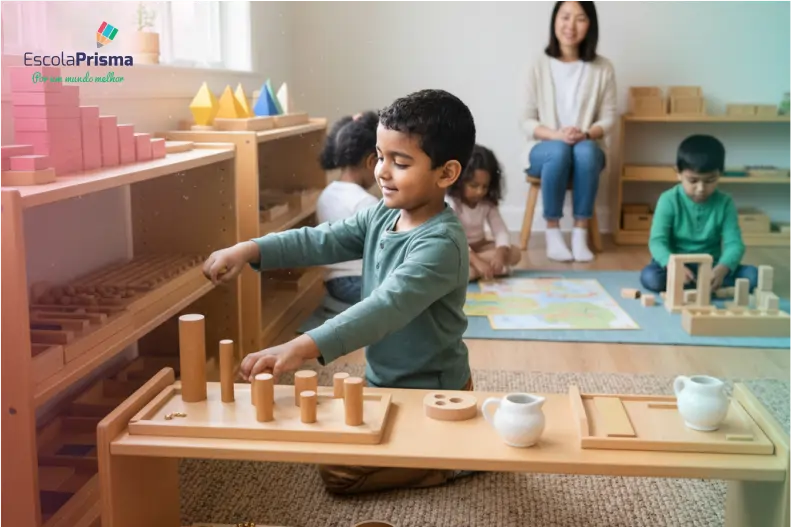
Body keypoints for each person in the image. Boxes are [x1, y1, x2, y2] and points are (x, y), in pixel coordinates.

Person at [202, 88, 477, 494]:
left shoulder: (440, 245)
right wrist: (250, 249)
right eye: (380, 157)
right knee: (321, 434)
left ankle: (449, 464)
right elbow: (319, 240)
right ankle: (430, 450)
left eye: (399, 162)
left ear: (446, 174)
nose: (382, 171)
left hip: (432, 393)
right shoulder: (384, 213)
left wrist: (299, 346)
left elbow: (383, 308)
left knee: (340, 472)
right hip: (384, 382)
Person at [521, 0, 617, 263]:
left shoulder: (603, 68)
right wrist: (556, 135)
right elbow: (526, 120)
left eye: (580, 18)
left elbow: (609, 118)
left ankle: (579, 233)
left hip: (586, 143)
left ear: (591, 24)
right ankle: (553, 232)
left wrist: (585, 134)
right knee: (560, 150)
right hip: (545, 148)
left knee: (585, 151)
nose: (570, 26)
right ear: (555, 20)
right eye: (565, 17)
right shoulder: (538, 64)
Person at [640, 134, 758, 293]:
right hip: (676, 265)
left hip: (711, 267)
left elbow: (734, 244)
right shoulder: (668, 200)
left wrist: (722, 269)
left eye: (710, 181)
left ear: (720, 174)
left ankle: (703, 284)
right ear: (678, 173)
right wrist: (673, 265)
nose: (701, 188)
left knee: (753, 275)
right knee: (651, 277)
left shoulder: (725, 203)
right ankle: (701, 286)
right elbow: (657, 241)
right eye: (693, 181)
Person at [316, 111, 380, 304]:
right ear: (371, 162)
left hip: (333, 283)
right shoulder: (364, 202)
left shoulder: (326, 194)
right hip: (358, 283)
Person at [446, 144, 522, 281]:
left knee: (515, 253)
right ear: (459, 180)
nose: (480, 191)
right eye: (474, 186)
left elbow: (501, 232)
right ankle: (477, 270)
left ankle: (473, 272)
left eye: (485, 186)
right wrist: (477, 261)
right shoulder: (451, 203)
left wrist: (500, 254)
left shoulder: (487, 203)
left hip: (480, 246)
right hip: (456, 249)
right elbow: (454, 238)